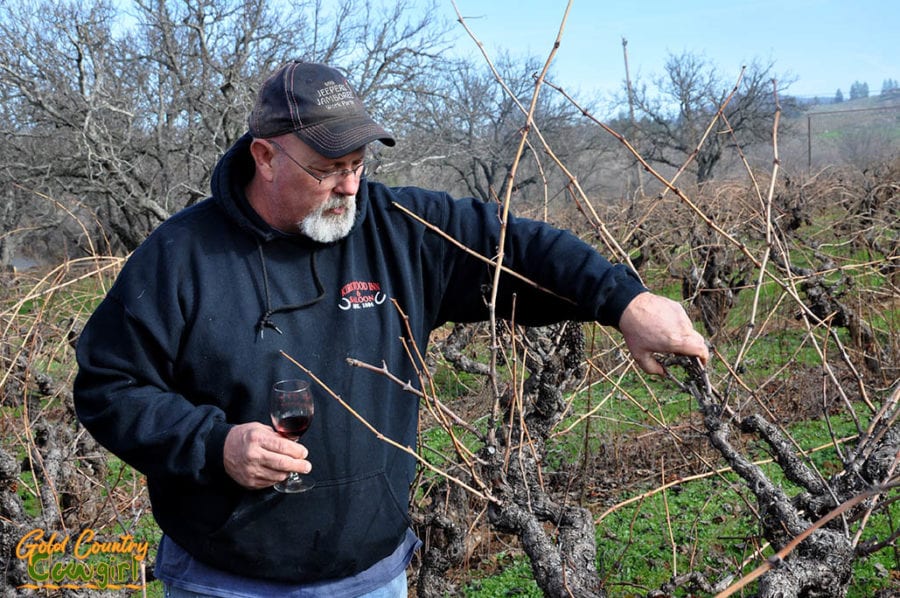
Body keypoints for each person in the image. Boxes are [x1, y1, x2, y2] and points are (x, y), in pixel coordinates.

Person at [73, 60, 708, 597]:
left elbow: (518, 249)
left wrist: (624, 301)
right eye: (328, 169)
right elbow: (110, 387)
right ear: (265, 156)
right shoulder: (181, 255)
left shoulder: (401, 228)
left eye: (358, 164)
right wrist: (215, 445)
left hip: (371, 579)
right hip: (225, 579)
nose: (349, 186)